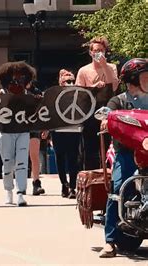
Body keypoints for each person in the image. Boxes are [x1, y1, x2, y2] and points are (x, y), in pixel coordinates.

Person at [98, 58, 148, 258]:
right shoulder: (119, 100)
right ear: (133, 80)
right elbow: (108, 114)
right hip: (127, 152)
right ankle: (110, 241)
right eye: (145, 76)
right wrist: (106, 120)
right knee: (117, 188)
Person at [0, 61, 38, 207]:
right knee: (8, 162)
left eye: (21, 79)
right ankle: (8, 190)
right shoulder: (2, 94)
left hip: (23, 131)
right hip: (6, 132)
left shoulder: (28, 96)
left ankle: (20, 192)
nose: (18, 83)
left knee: (22, 162)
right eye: (14, 79)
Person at [76, 37, 118, 170]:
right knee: (89, 149)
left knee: (107, 147)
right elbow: (78, 93)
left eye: (101, 50)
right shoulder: (84, 71)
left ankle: (108, 177)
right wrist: (93, 86)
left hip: (107, 111)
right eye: (95, 50)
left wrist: (104, 65)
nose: (98, 53)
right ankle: (92, 180)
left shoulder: (111, 67)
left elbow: (115, 86)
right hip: (90, 112)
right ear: (90, 53)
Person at [52, 69, 82, 198]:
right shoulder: (54, 95)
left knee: (73, 158)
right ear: (60, 82)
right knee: (60, 157)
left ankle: (72, 187)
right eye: (67, 81)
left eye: (72, 81)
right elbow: (48, 113)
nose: (70, 83)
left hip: (73, 130)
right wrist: (45, 130)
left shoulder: (79, 94)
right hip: (58, 130)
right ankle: (64, 184)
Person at [27, 81, 46, 196]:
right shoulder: (15, 90)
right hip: (19, 126)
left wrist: (45, 127)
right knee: (20, 156)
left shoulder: (37, 92)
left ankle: (36, 182)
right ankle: (20, 183)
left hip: (34, 126)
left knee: (34, 155)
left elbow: (44, 111)